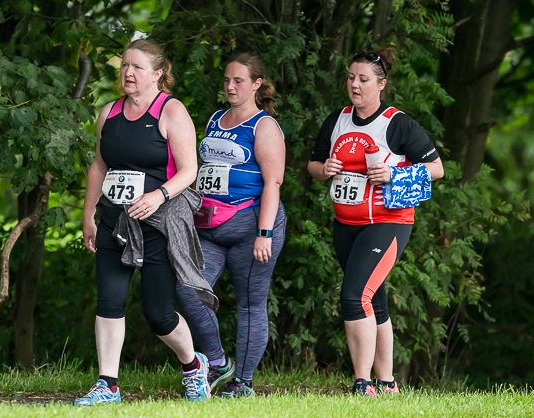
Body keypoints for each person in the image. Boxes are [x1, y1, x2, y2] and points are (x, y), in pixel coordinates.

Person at [75, 39, 212, 405]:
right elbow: (98, 167)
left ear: (158, 74)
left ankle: (192, 365)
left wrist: (159, 196)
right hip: (114, 221)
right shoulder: (110, 112)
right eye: (124, 67)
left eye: (137, 67)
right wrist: (88, 214)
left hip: (158, 226)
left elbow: (189, 171)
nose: (128, 73)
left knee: (158, 313)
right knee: (110, 301)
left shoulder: (172, 111)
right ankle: (108, 385)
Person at [307, 50, 444, 395]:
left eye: (363, 79)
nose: (355, 84)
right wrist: (324, 170)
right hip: (345, 223)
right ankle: (388, 384)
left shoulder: (399, 123)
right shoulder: (337, 120)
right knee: (374, 301)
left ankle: (362, 383)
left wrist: (394, 172)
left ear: (381, 84)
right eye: (351, 77)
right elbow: (313, 165)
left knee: (354, 297)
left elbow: (437, 169)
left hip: (388, 221)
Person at [177, 53, 287, 398]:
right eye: (227, 80)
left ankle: (243, 381)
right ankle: (217, 361)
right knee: (188, 290)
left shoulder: (263, 125)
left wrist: (264, 234)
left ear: (256, 84)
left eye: (238, 80)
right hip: (210, 226)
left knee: (250, 304)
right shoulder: (215, 119)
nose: (230, 86)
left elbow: (273, 182)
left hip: (250, 226)